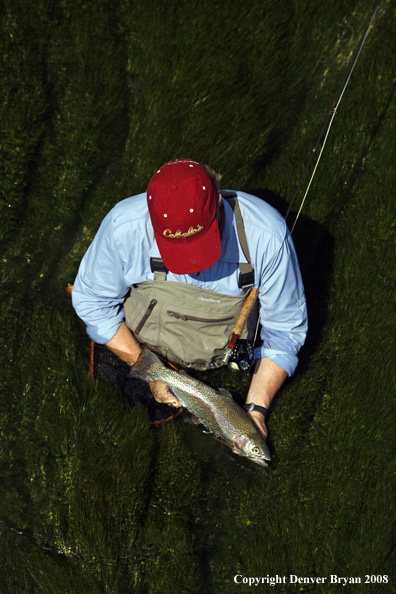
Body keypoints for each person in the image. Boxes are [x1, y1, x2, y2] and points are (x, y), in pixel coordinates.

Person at [72, 159, 307, 441]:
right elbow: (93, 305)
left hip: (214, 363)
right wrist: (146, 367)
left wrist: (255, 410)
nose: (193, 265)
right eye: (177, 251)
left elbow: (284, 333)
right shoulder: (124, 226)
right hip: (137, 345)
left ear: (218, 199)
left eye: (200, 244)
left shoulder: (267, 237)